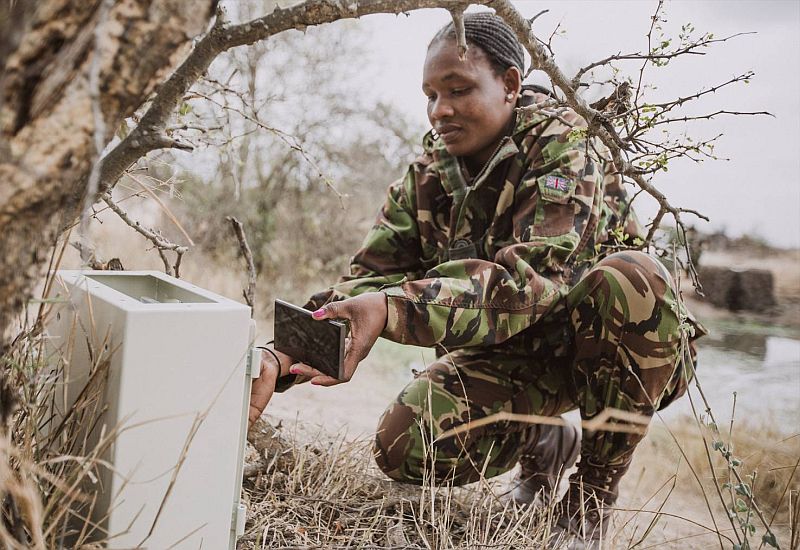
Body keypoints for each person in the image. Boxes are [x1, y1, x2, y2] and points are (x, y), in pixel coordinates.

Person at [248, 12, 701, 548]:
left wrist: (394, 309)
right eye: (431, 94)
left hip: (627, 352)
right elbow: (368, 282)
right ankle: (545, 439)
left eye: (458, 89)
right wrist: (282, 355)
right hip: (512, 356)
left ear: (510, 84)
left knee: (633, 277)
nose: (440, 110)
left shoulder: (564, 145)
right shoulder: (425, 178)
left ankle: (590, 503)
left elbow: (532, 283)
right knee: (404, 444)